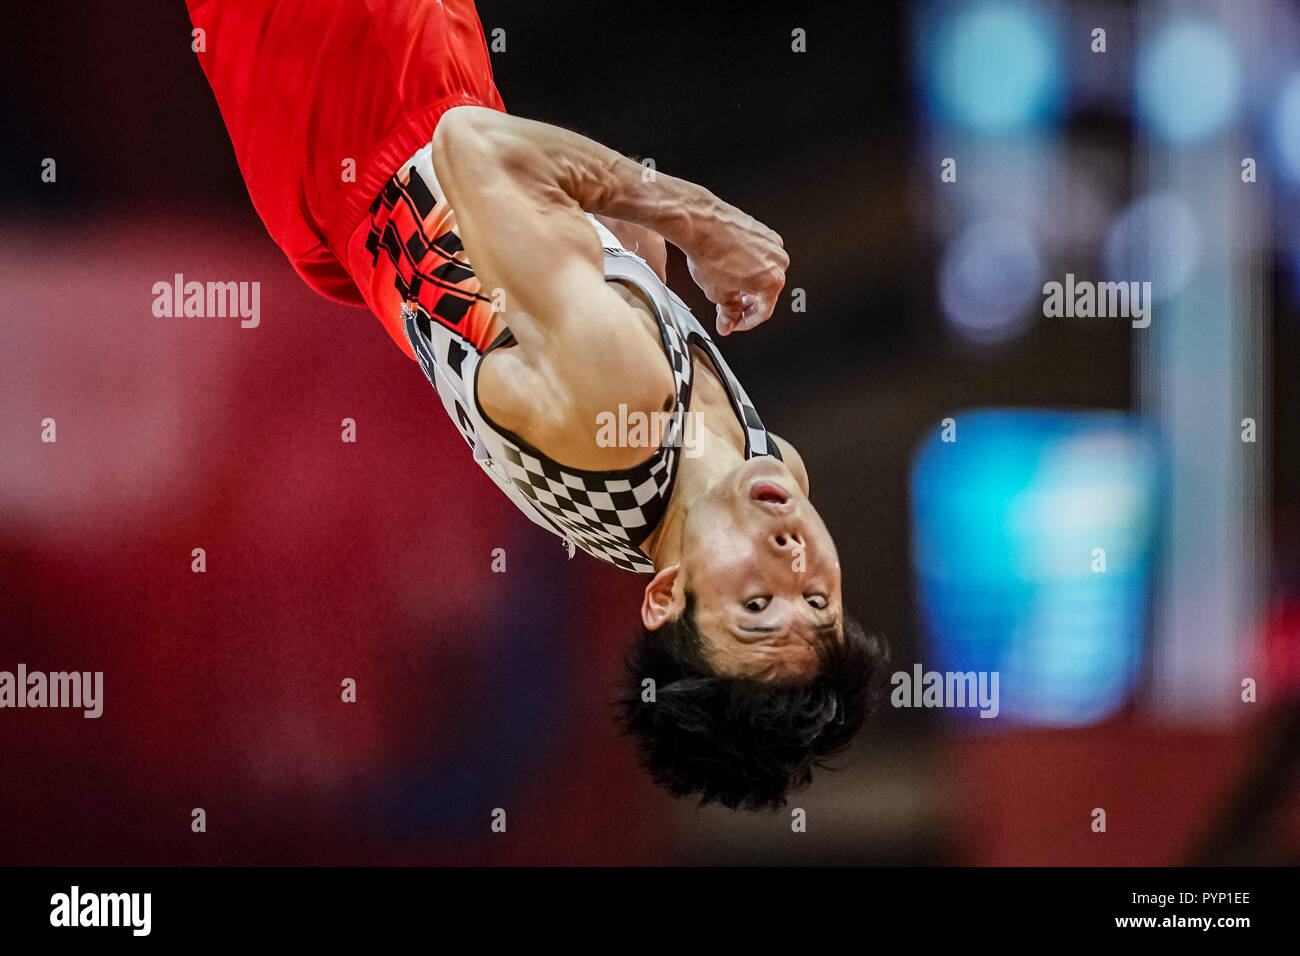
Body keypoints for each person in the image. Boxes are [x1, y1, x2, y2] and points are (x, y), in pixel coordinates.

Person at [188, 0, 887, 810]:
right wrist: (646, 239)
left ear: (665, 598)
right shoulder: (749, 466)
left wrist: (702, 219)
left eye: (756, 603)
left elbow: (471, 152)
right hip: (379, 150)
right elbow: (604, 262)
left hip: (357, 90)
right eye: (818, 602)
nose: (793, 560)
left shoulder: (614, 416)